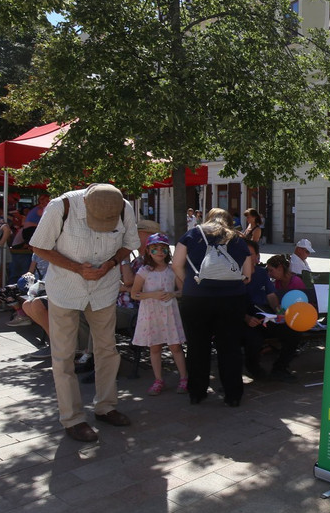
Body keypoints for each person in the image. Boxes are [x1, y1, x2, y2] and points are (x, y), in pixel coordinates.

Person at [28, 183, 140, 442]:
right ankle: (72, 419)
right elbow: (39, 247)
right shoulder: (61, 207)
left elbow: (129, 244)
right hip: (66, 290)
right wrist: (77, 268)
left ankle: (106, 407)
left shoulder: (124, 208)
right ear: (85, 204)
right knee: (64, 355)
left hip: (103, 290)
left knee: (107, 350)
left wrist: (112, 263)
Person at [171, 208, 253, 406]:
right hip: (232, 299)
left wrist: (190, 282)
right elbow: (248, 275)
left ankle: (197, 392)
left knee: (197, 346)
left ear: (207, 218)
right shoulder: (239, 240)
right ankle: (233, 395)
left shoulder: (191, 234)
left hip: (196, 298)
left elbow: (176, 264)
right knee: (230, 347)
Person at [131, 233, 187, 395]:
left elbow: (182, 290)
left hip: (169, 312)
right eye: (155, 249)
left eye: (163, 248)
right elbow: (135, 294)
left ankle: (184, 378)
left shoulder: (172, 270)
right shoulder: (144, 271)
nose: (160, 252)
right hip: (151, 314)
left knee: (175, 346)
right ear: (148, 251)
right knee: (154, 347)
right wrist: (152, 295)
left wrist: (173, 294)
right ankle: (158, 379)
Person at [253, 253, 303, 381]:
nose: (269, 274)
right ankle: (271, 368)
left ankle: (279, 368)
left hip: (289, 317)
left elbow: (301, 304)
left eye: (271, 270)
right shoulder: (277, 283)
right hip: (272, 318)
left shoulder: (294, 282)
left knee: (293, 334)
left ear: (280, 268)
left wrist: (279, 311)